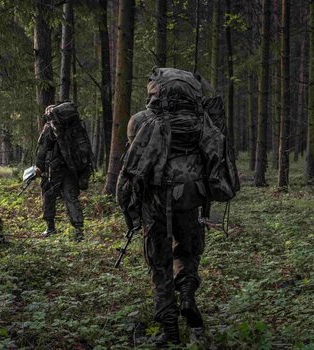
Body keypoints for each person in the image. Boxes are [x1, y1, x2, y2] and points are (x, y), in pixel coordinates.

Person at [117, 68, 238, 347]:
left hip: (156, 203)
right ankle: (187, 295)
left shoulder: (141, 121)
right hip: (193, 199)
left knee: (159, 263)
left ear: (156, 90)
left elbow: (130, 170)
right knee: (188, 251)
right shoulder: (202, 121)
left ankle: (170, 330)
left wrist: (126, 205)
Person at [35, 102, 93, 242]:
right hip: (71, 170)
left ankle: (50, 228)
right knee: (71, 198)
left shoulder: (50, 127)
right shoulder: (76, 127)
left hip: (54, 170)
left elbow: (42, 150)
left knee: (49, 196)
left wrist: (39, 167)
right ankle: (78, 231)